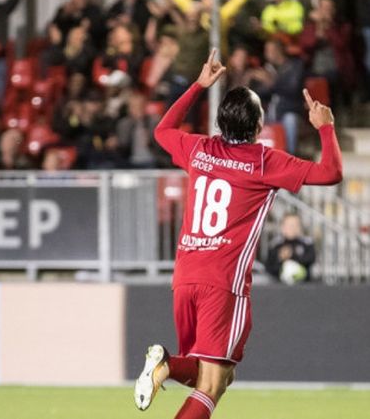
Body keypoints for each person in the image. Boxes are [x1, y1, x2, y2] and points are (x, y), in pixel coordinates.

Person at [134, 49, 342, 418]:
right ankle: (164, 363)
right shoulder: (265, 162)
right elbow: (330, 173)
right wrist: (325, 126)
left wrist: (198, 85)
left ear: (220, 123)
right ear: (259, 126)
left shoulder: (198, 149)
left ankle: (167, 365)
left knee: (210, 376)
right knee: (214, 382)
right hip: (223, 280)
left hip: (184, 277)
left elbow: (162, 130)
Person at [265, 213, 316, 283]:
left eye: (294, 225)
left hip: (303, 285)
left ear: (299, 227)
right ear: (282, 227)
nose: (292, 228)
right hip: (279, 286)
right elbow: (269, 267)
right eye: (288, 225)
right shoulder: (276, 244)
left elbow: (311, 259)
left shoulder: (307, 243)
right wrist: (280, 258)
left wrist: (292, 255)